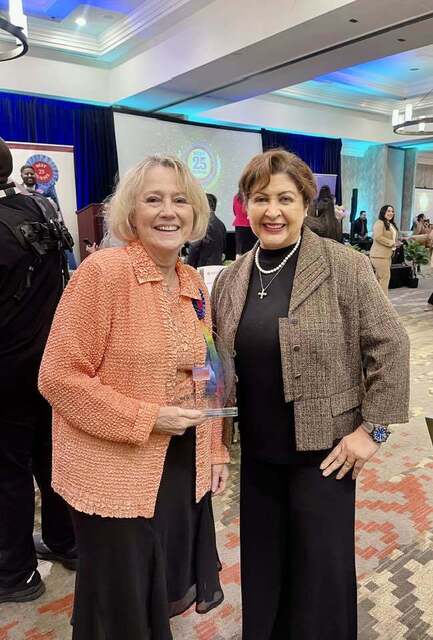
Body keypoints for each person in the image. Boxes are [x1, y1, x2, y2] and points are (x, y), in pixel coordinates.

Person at [211, 149, 410, 640]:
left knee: (320, 575)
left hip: (325, 455)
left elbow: (391, 345)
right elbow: (222, 365)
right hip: (258, 456)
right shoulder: (232, 278)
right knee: (264, 569)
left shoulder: (344, 265)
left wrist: (372, 431)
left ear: (304, 203)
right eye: (261, 199)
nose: (272, 211)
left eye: (285, 198)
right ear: (245, 205)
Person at [38, 155, 229, 639]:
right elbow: (57, 377)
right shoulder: (103, 273)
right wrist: (148, 417)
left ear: (195, 213)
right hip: (113, 474)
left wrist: (216, 450)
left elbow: (206, 374)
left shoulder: (191, 283)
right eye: (153, 199)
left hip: (179, 467)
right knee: (120, 604)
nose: (168, 211)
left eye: (180, 200)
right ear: (131, 211)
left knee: (153, 593)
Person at [0, 138, 76, 604]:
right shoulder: (42, 207)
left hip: (7, 367)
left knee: (7, 470)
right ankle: (66, 541)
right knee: (50, 457)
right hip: (49, 360)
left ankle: (15, 573)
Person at [187, 193, 227, 267]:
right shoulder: (221, 224)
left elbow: (194, 249)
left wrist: (188, 265)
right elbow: (224, 247)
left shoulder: (203, 224)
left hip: (202, 267)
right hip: (217, 266)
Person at [370, 205, 400, 294]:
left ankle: (375, 299)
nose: (391, 213)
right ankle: (384, 301)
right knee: (384, 278)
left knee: (379, 279)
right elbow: (378, 237)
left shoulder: (390, 224)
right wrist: (392, 243)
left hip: (387, 255)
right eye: (388, 211)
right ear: (383, 212)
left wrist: (398, 242)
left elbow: (391, 237)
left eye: (392, 211)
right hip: (379, 256)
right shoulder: (379, 223)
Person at [233, 190, 256, 256]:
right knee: (252, 249)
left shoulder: (236, 197)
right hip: (250, 225)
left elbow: (234, 211)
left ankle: (239, 262)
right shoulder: (251, 197)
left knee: (239, 250)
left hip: (239, 225)